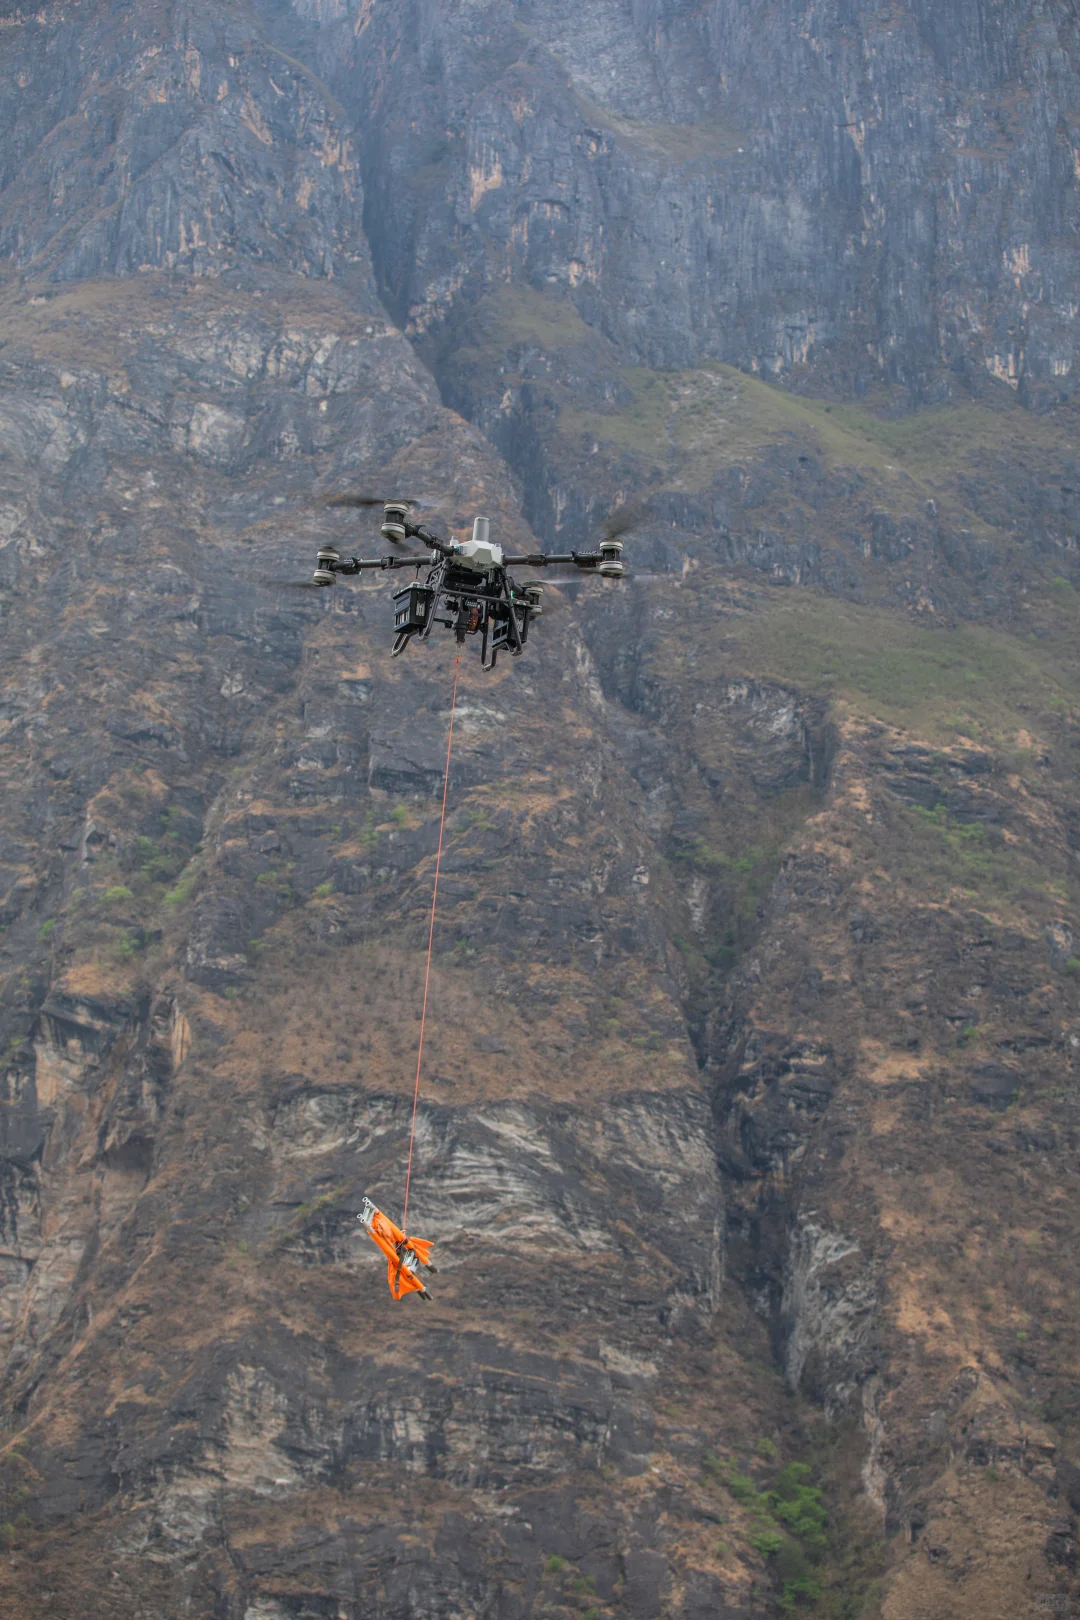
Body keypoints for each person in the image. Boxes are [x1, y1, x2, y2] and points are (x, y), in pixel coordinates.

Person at [358, 1196, 436, 1300]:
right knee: (407, 1261)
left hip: (401, 1252)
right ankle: (427, 1275)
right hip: (401, 1254)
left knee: (407, 1257)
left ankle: (428, 1274)